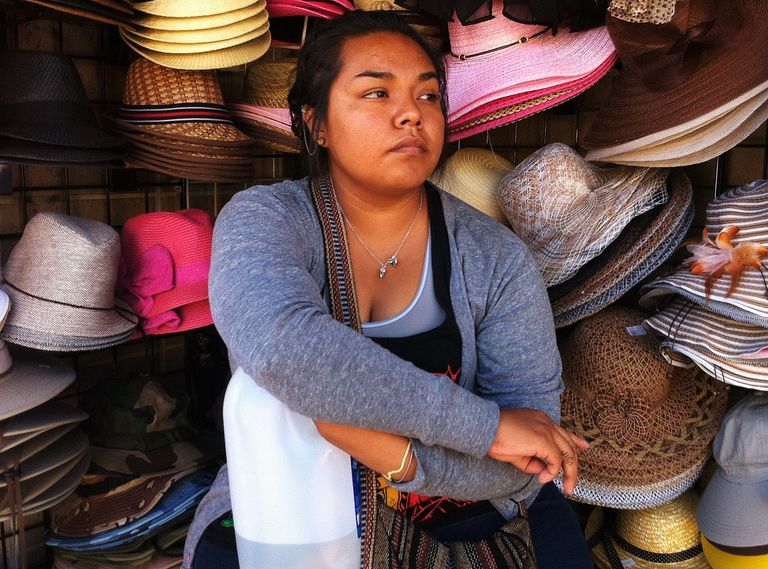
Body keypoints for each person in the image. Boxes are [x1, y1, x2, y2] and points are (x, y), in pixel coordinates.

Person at [208, 9, 593, 569]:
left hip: (468, 505)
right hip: (292, 507)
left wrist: (400, 455)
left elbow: (529, 456)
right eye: (376, 93)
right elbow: (284, 349)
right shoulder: (265, 221)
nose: (411, 113)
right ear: (317, 122)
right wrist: (484, 428)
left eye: (429, 96)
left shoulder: (494, 257)